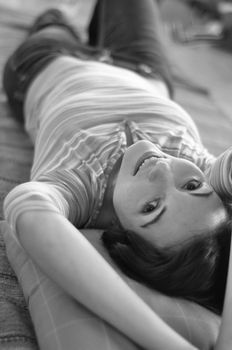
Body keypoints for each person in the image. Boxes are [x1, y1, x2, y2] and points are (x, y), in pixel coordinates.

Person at [2, 0, 232, 349]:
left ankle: (65, 17)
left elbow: (29, 213)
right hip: (144, 67)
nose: (161, 171)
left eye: (152, 206)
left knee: (56, 19)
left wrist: (168, 345)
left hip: (47, 61)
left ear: (121, 237)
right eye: (192, 186)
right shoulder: (205, 167)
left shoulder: (78, 189)